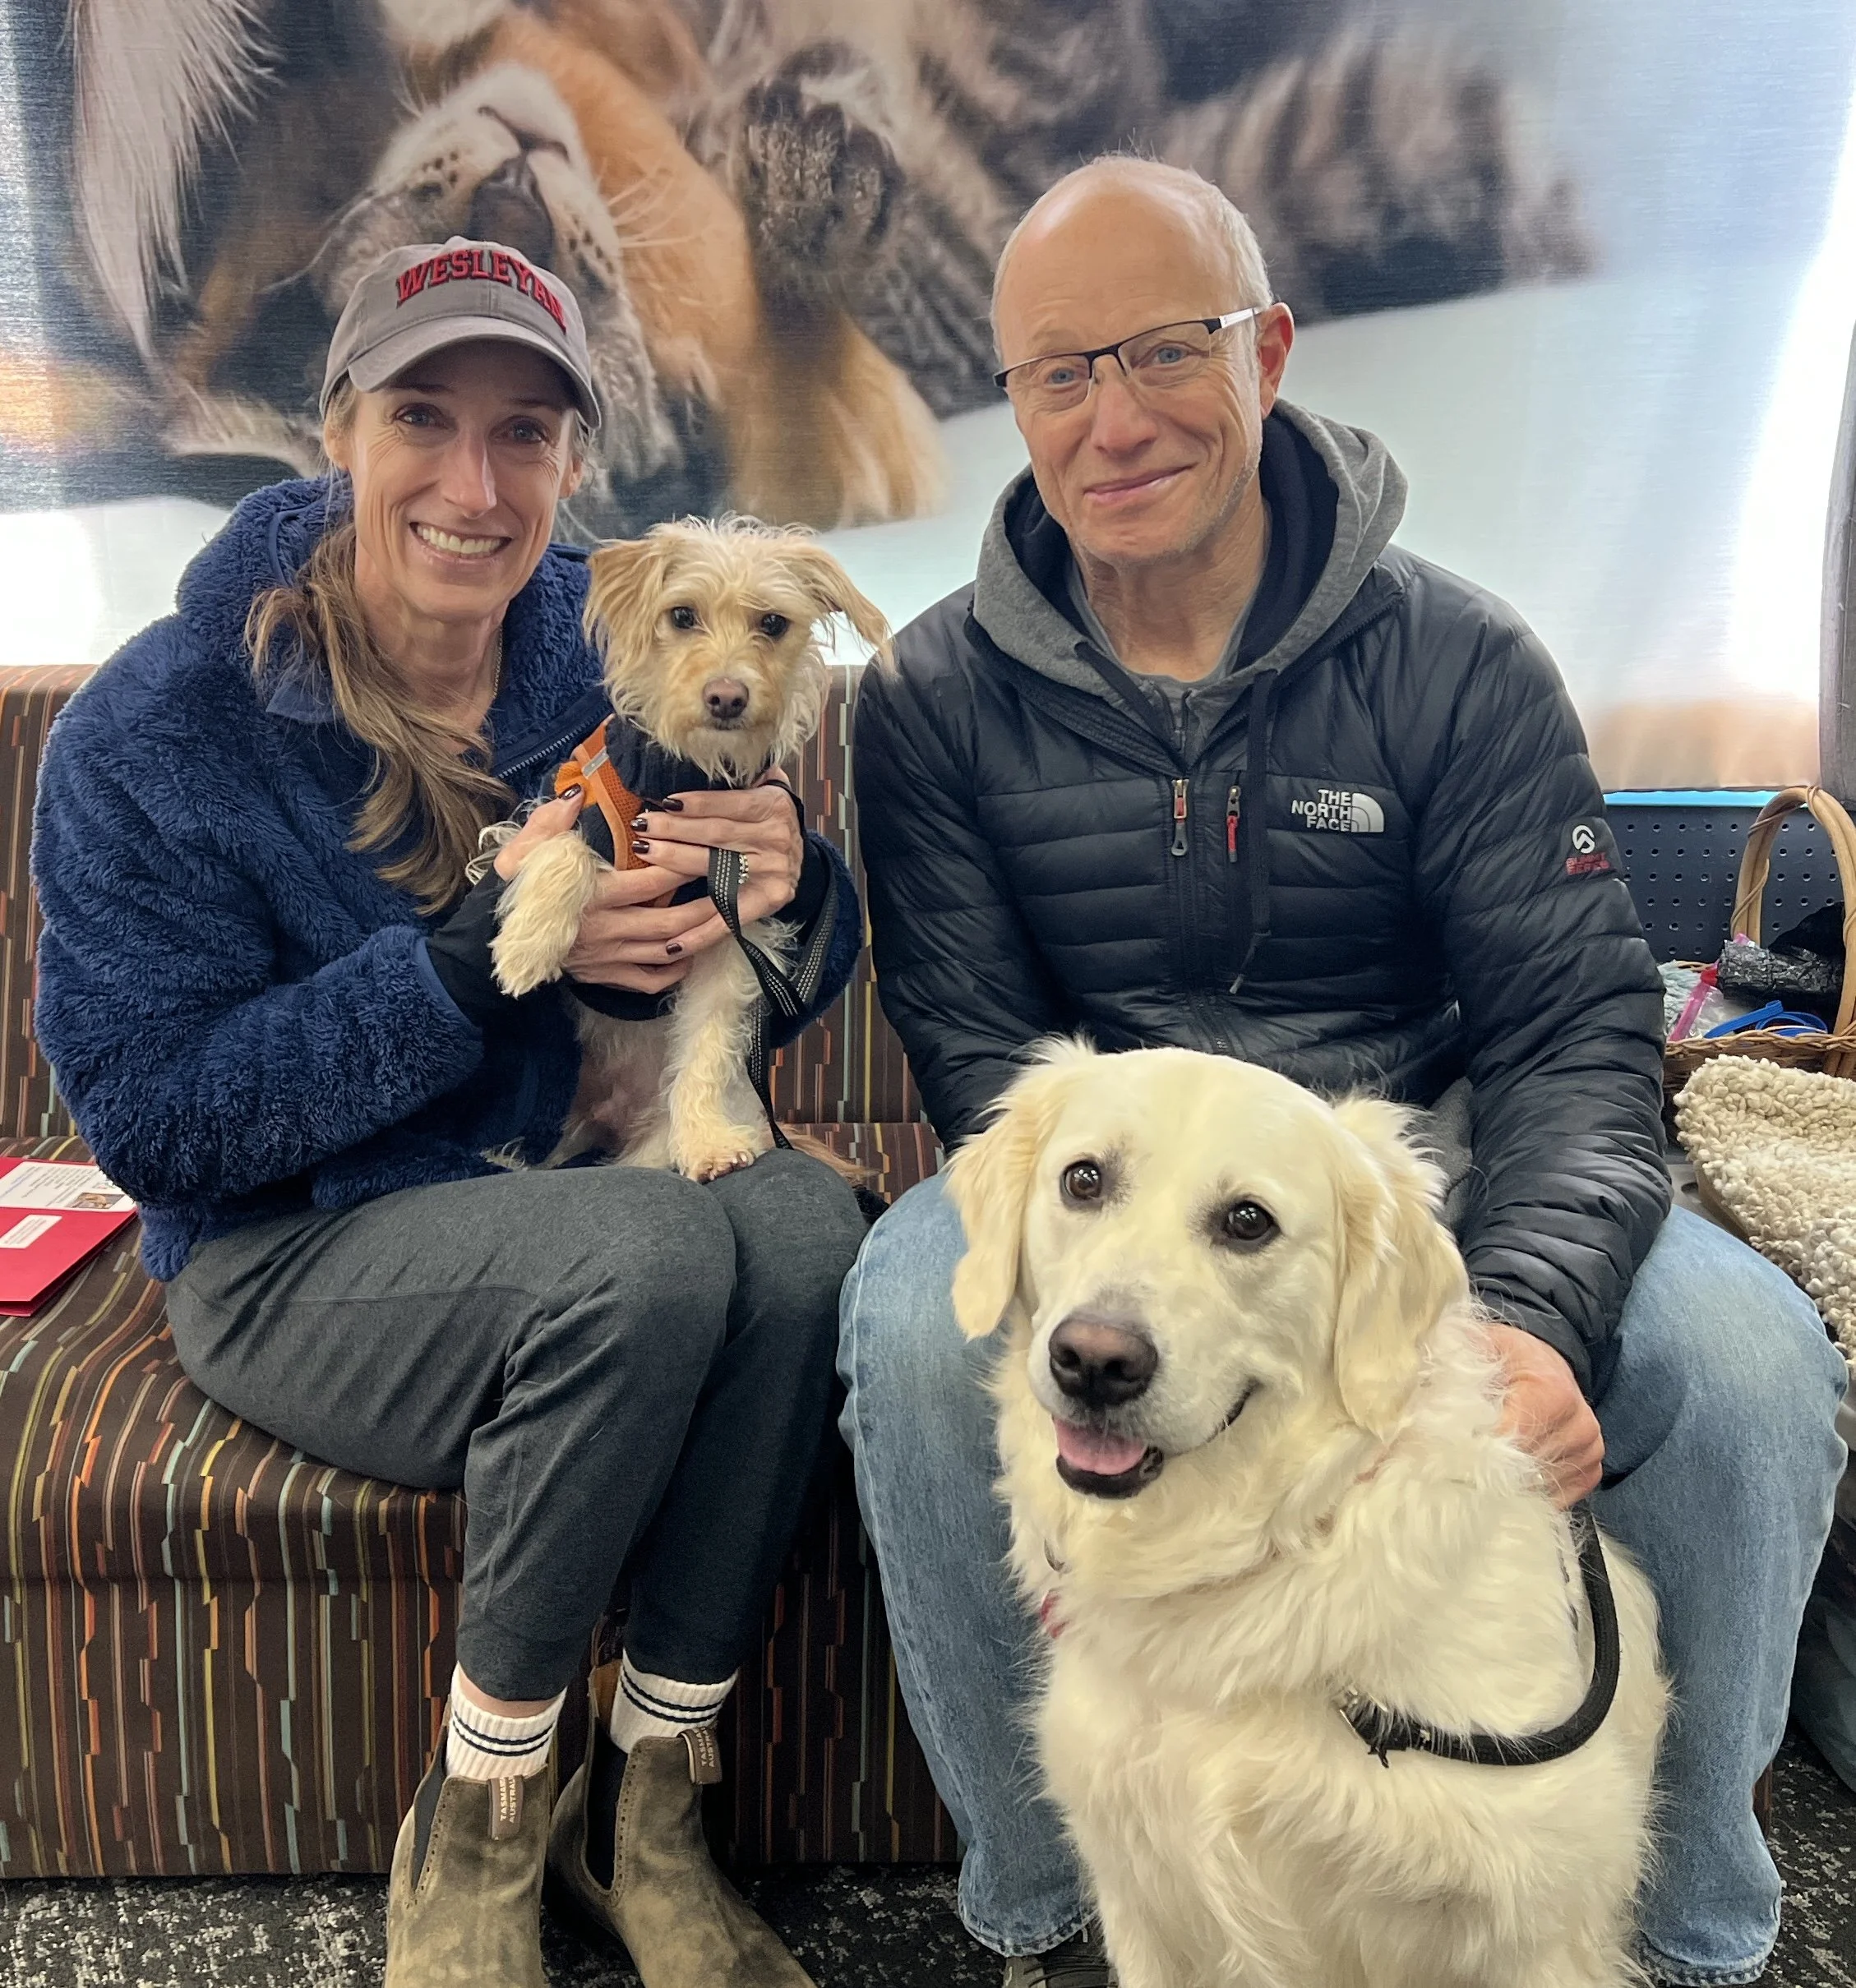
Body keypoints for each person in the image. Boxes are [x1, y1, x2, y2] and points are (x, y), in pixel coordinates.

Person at [840, 159, 1850, 1988]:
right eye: (1059, 372)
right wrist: (1073, 1227)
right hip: (1106, 1175)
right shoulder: (924, 703)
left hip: (1419, 1180)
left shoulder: (1459, 662)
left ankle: (1693, 1922)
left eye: (1163, 352)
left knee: (1749, 1365)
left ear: (1272, 351)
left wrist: (1534, 1311)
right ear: (1014, 401)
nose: (1113, 417)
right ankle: (1052, 1912)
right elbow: (985, 1060)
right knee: (912, 1321)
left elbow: (1568, 1031)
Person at [31, 238, 870, 1988]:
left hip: (569, 1179)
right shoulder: (157, 726)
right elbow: (155, 1126)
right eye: (424, 416)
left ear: (575, 463)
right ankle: (478, 1824)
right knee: (645, 1244)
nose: (475, 486)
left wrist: (800, 888)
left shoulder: (618, 638)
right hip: (292, 1245)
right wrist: (459, 968)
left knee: (793, 1224)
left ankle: (650, 1804)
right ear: (338, 428)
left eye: (527, 434)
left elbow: (773, 943)